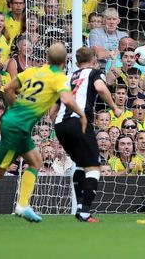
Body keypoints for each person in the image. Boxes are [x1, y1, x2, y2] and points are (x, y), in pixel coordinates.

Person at [0, 43, 88, 225]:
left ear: (47, 59)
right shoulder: (58, 78)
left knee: (36, 161)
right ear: (64, 61)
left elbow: (8, 88)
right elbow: (66, 98)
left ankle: (23, 205)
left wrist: (16, 107)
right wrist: (82, 114)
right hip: (17, 128)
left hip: (15, 123)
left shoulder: (32, 72)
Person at [53, 46, 121, 222]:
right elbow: (101, 88)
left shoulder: (67, 78)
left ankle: (80, 207)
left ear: (76, 63)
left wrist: (57, 125)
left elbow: (53, 108)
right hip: (79, 122)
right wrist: (114, 107)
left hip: (60, 125)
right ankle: (85, 211)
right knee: (94, 168)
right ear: (94, 61)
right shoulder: (94, 72)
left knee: (79, 164)